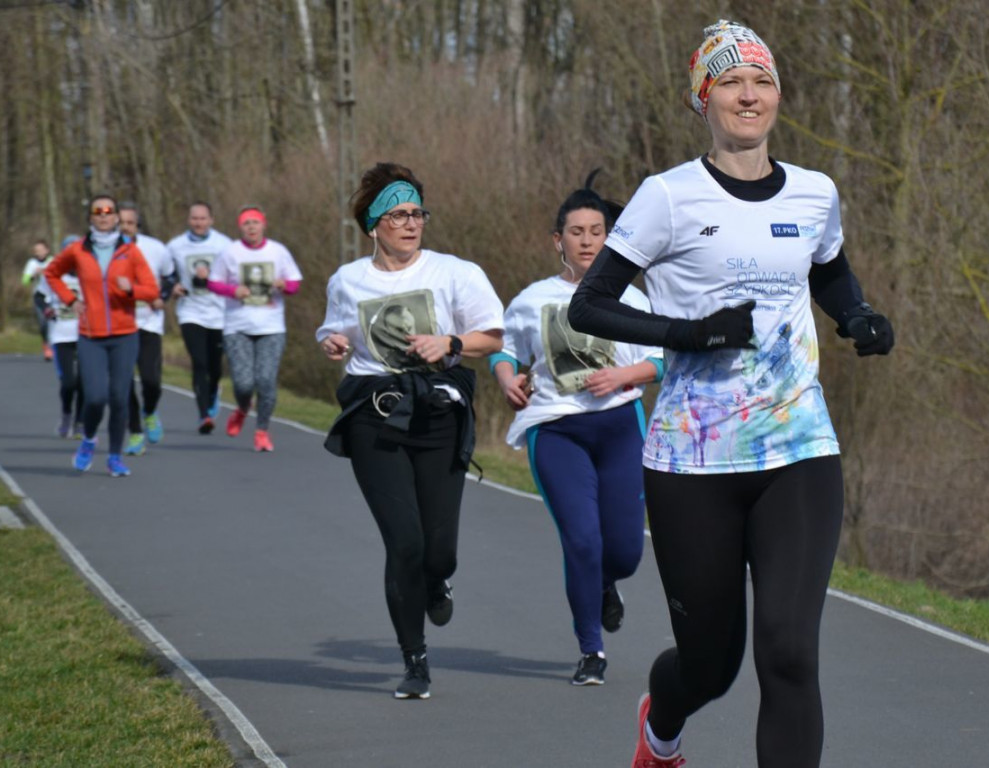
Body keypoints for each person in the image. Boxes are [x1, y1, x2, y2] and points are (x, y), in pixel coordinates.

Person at [567, 21, 895, 768]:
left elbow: (828, 271)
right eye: (731, 82)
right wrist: (689, 332)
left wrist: (856, 315)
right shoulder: (668, 197)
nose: (750, 95)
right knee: (712, 663)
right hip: (691, 460)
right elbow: (591, 305)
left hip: (797, 447)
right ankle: (661, 728)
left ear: (778, 94)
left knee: (788, 653)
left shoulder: (815, 193)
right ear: (703, 98)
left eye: (763, 81)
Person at [316, 162, 504, 700]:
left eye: (417, 212)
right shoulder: (348, 279)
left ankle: (438, 578)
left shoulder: (456, 272)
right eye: (398, 214)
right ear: (374, 224)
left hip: (438, 415)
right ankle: (414, 660)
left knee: (438, 550)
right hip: (374, 417)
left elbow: (492, 336)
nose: (410, 222)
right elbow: (335, 330)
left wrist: (449, 344)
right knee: (404, 543)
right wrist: (330, 342)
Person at [490, 174, 663, 686]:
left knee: (626, 552)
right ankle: (592, 649)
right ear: (557, 241)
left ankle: (608, 584)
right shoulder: (532, 299)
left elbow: (664, 363)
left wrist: (622, 375)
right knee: (582, 541)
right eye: (576, 232)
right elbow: (506, 349)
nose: (587, 241)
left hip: (619, 426)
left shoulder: (633, 300)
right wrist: (505, 378)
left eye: (596, 231)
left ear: (611, 238)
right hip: (556, 429)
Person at [44, 195, 159, 477]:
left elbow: (152, 290)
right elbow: (51, 273)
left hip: (125, 336)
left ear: (117, 217)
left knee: (120, 398)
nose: (104, 216)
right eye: (98, 212)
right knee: (95, 397)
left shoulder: (130, 252)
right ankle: (89, 440)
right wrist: (71, 301)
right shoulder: (77, 250)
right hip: (91, 335)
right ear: (91, 218)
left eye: (109, 212)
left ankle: (115, 457)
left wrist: (130, 288)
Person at [208, 205, 302, 452]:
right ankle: (241, 408)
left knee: (266, 380)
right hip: (237, 326)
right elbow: (213, 282)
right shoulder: (230, 252)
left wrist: (284, 284)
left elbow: (295, 284)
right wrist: (233, 290)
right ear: (240, 227)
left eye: (255, 222)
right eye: (246, 223)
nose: (251, 227)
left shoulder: (278, 252)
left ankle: (262, 430)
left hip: (271, 326)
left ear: (264, 225)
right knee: (243, 384)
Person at [167, 201, 233, 434]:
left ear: (211, 220)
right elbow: (166, 274)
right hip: (190, 311)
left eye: (203, 219)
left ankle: (214, 392)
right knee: (200, 362)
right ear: (188, 220)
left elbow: (234, 276)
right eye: (195, 218)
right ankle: (204, 415)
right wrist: (172, 287)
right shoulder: (175, 246)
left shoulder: (224, 245)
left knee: (215, 366)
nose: (199, 223)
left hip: (219, 313)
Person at [119, 203, 176, 455]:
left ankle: (149, 411)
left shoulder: (155, 248)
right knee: (125, 382)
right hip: (119, 324)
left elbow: (171, 277)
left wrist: (162, 296)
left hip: (149, 322)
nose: (125, 227)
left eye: (129, 223)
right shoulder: (104, 250)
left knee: (152, 381)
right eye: (121, 223)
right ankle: (135, 432)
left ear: (137, 226)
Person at [38, 248, 83, 438]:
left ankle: (80, 422)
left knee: (85, 382)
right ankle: (66, 414)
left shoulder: (90, 273)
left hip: (86, 335)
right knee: (68, 382)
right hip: (61, 335)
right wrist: (47, 309)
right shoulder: (54, 273)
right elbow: (39, 296)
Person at [22, 239, 54, 360]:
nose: (38, 253)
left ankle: (54, 346)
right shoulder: (32, 263)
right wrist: (33, 275)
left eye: (41, 250)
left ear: (47, 250)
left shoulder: (53, 261)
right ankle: (46, 346)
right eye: (36, 251)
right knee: (43, 323)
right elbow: (24, 281)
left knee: (54, 323)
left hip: (53, 297)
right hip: (39, 298)